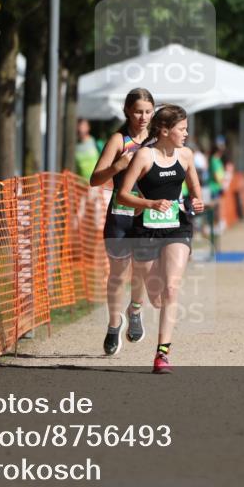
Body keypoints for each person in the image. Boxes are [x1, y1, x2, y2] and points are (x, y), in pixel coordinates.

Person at [116, 105, 205, 374]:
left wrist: (197, 201)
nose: (186, 134)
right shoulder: (144, 156)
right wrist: (151, 203)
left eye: (187, 128)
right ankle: (135, 308)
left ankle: (161, 355)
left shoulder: (186, 155)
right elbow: (122, 195)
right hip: (146, 228)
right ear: (165, 131)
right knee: (155, 296)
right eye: (182, 129)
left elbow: (195, 189)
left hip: (177, 227)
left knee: (171, 290)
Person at [88, 88, 155, 356]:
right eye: (138, 111)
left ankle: (135, 309)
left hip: (148, 216)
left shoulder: (156, 140)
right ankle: (114, 323)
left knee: (144, 270)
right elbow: (94, 179)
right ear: (127, 110)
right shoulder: (119, 140)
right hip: (120, 216)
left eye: (148, 112)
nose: (143, 117)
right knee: (117, 273)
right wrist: (118, 166)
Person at [74, 118, 103, 183]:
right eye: (78, 126)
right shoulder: (74, 147)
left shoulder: (97, 143)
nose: (80, 129)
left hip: (95, 184)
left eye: (83, 126)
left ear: (88, 127)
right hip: (80, 186)